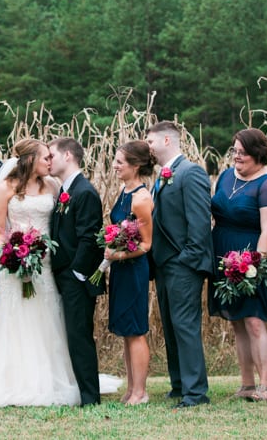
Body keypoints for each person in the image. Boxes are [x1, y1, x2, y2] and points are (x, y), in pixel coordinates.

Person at [0, 138, 80, 409]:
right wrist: (11, 257)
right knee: (15, 318)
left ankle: (51, 377)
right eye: (45, 157)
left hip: (45, 264)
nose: (50, 162)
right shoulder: (6, 187)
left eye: (50, 157)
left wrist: (39, 255)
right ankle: (13, 379)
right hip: (14, 264)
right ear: (29, 160)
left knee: (46, 316)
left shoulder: (52, 185)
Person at [208, 129, 267, 402]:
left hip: (254, 258)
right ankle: (246, 383)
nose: (237, 157)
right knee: (236, 320)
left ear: (258, 154)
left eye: (242, 153)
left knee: (255, 320)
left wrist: (253, 266)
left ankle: (264, 385)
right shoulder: (227, 176)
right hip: (224, 255)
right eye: (234, 151)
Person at [146, 121, 213, 408]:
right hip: (163, 265)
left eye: (150, 141)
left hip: (184, 265)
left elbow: (199, 223)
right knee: (172, 326)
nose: (147, 146)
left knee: (185, 326)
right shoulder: (162, 177)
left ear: (166, 141)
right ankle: (179, 384)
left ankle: (195, 392)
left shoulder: (191, 172)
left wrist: (187, 259)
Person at [49, 137, 106, 406]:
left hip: (77, 279)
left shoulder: (84, 192)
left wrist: (75, 273)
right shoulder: (66, 190)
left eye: (53, 155)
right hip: (64, 275)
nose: (49, 160)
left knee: (79, 336)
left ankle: (90, 397)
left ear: (68, 155)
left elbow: (89, 237)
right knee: (72, 335)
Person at [103, 140, 154, 405]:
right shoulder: (124, 191)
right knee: (126, 330)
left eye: (120, 162)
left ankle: (141, 391)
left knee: (136, 330)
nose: (114, 166)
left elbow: (146, 244)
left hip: (134, 269)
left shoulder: (141, 199)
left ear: (135, 166)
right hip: (121, 269)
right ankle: (131, 387)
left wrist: (119, 254)